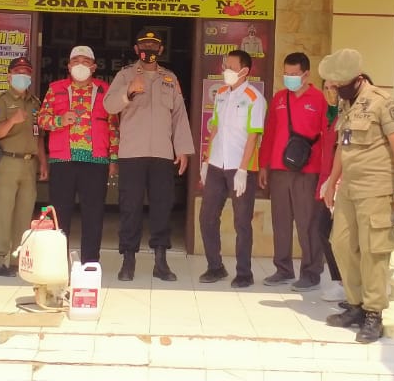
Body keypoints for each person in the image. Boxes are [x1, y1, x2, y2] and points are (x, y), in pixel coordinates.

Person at [318, 49, 394, 343]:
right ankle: (356, 304)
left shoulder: (382, 102)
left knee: (374, 250)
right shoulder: (347, 104)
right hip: (349, 188)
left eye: (338, 84)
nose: (334, 88)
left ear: (356, 78)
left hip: (376, 188)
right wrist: (331, 183)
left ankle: (373, 313)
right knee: (341, 243)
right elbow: (343, 145)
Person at [104, 28, 194, 282]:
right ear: (136, 49)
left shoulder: (170, 79)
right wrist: (128, 91)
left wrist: (182, 149)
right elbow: (108, 105)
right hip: (132, 153)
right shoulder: (125, 75)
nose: (149, 49)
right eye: (144, 45)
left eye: (154, 45)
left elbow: (179, 115)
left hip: (162, 155)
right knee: (130, 208)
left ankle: (161, 261)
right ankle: (128, 260)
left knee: (162, 207)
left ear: (161, 49)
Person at [258, 52, 332, 292]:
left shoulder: (319, 99)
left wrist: (327, 174)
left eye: (294, 74)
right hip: (279, 169)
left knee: (307, 223)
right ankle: (283, 269)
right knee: (280, 221)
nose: (289, 78)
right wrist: (263, 164)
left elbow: (328, 137)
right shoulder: (279, 98)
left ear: (306, 74)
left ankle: (311, 273)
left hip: (307, 171)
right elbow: (269, 133)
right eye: (286, 73)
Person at [38, 46, 119, 264]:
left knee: (93, 214)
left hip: (96, 161)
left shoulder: (105, 90)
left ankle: (90, 263)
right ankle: (57, 262)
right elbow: (42, 119)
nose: (80, 65)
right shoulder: (55, 89)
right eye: (75, 61)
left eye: (85, 61)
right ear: (68, 66)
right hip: (62, 160)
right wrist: (59, 120)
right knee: (59, 214)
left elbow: (113, 126)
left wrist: (113, 159)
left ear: (94, 67)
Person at [199, 50, 266, 288]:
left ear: (244, 71)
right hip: (217, 164)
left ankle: (244, 273)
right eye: (224, 65)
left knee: (242, 222)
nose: (225, 70)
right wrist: (206, 161)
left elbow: (253, 136)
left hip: (240, 167)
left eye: (231, 67)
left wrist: (243, 170)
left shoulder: (254, 98)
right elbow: (215, 129)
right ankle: (215, 267)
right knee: (207, 217)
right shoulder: (221, 93)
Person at [0, 57, 47, 277]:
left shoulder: (35, 103)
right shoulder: (1, 102)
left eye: (26, 73)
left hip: (29, 163)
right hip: (8, 162)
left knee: (24, 213)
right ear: (9, 76)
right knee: (2, 213)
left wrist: (43, 162)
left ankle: (18, 260)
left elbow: (38, 136)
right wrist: (12, 120)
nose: (23, 76)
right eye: (18, 72)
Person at [317, 80, 346, 303]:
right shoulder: (328, 114)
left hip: (342, 182)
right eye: (326, 88)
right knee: (323, 229)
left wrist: (335, 181)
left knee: (340, 235)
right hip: (326, 180)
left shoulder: (346, 115)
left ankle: (347, 283)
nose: (330, 93)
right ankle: (338, 281)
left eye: (334, 88)